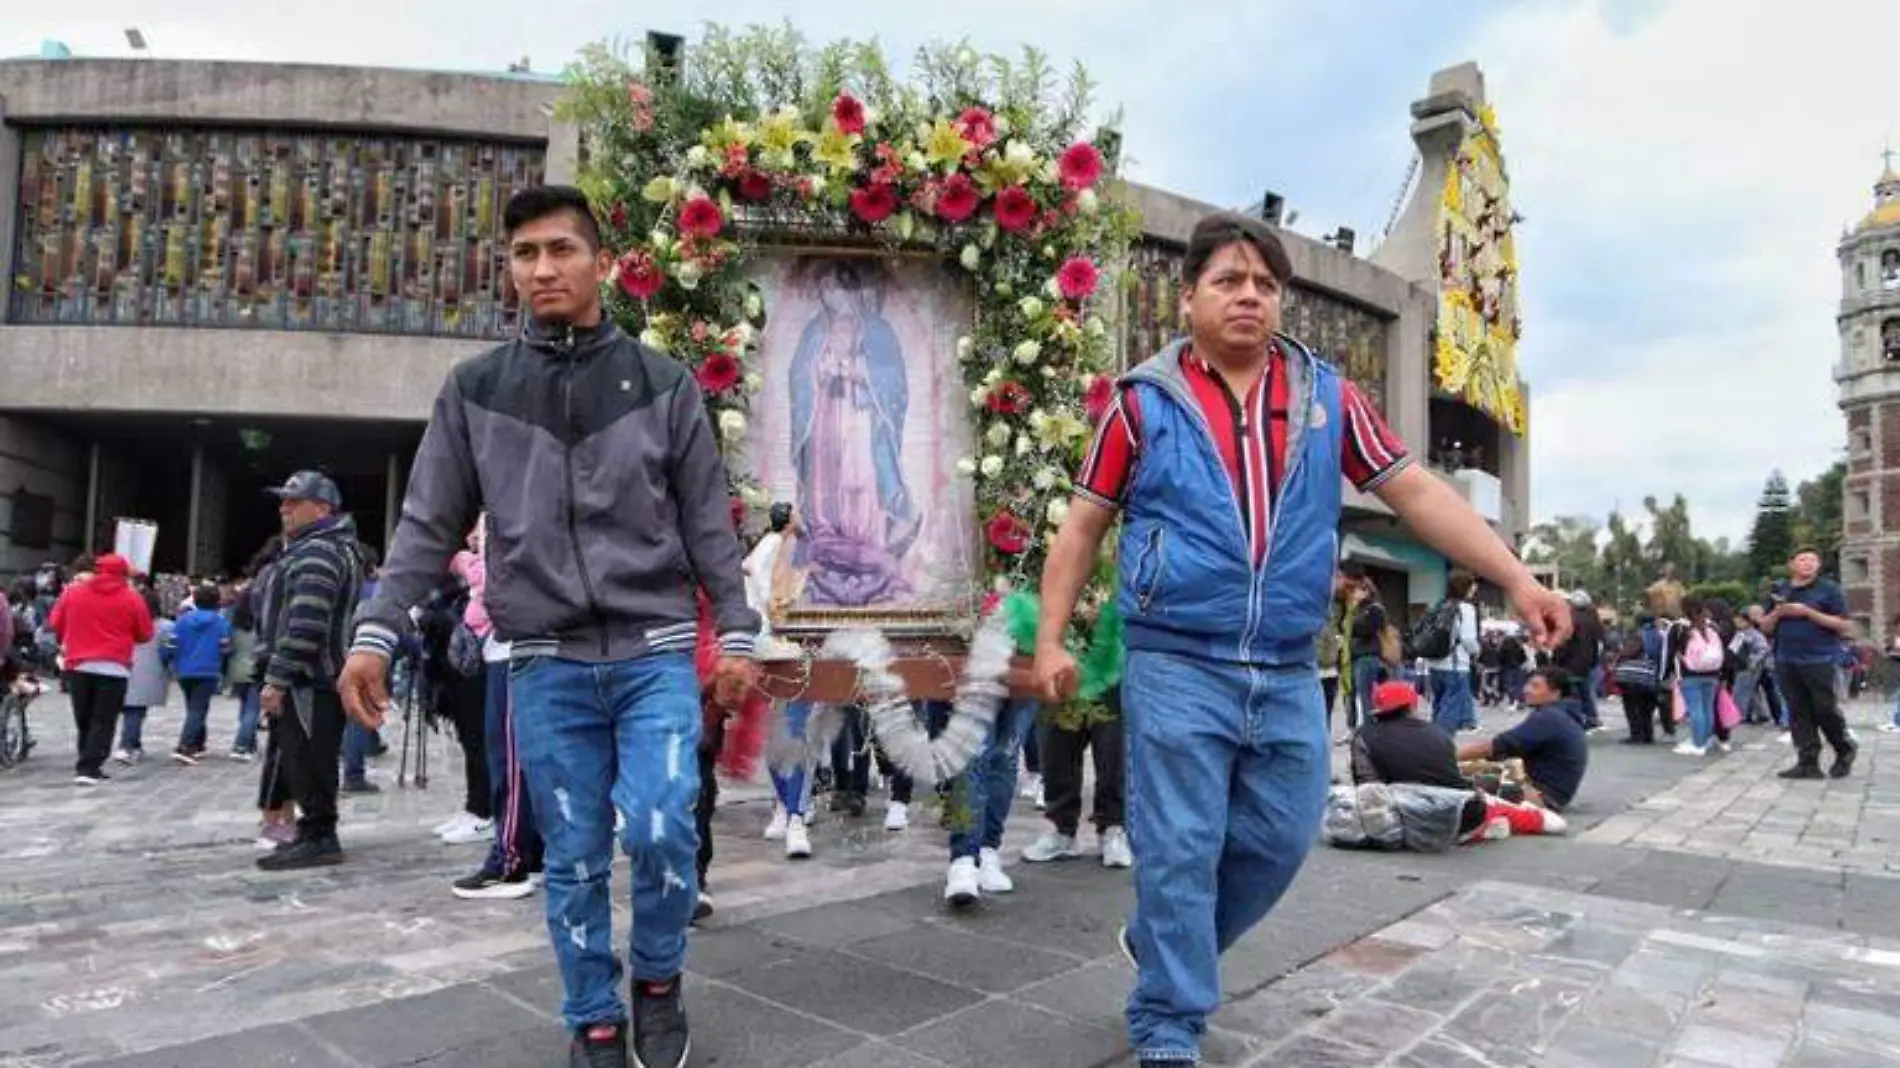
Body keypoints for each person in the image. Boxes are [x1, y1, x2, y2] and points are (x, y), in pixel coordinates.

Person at [1032, 210, 1570, 1067]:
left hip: (1287, 665)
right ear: (1189, 300)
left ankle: (1170, 945)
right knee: (1181, 846)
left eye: (1265, 285)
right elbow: (1083, 527)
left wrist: (1516, 575)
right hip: (1176, 658)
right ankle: (1168, 1022)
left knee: (1281, 840)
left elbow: (1417, 493)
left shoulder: (1328, 398)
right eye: (1229, 282)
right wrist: (1052, 640)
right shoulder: (1142, 404)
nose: (1250, 297)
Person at [338, 185, 759, 1068]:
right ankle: (593, 1015)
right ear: (510, 268)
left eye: (561, 249)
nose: (543, 269)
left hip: (654, 651)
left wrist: (742, 633)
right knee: (569, 852)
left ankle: (656, 977)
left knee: (659, 826)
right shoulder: (476, 392)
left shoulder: (662, 385)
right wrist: (377, 631)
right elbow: (426, 523)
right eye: (525, 253)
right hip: (543, 662)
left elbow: (709, 525)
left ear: (601, 260)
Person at [254, 471, 368, 871]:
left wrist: (277, 676)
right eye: (283, 500)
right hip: (314, 676)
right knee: (303, 759)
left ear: (322, 508)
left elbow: (306, 623)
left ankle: (320, 835)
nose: (283, 508)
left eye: (293, 501)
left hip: (311, 678)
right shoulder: (325, 547)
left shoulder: (319, 551)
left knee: (310, 759)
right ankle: (312, 831)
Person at [49, 553, 155, 785]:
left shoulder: (73, 592)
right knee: (103, 718)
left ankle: (85, 759)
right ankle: (90, 765)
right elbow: (145, 633)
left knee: (84, 716)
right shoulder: (132, 598)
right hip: (114, 666)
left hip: (78, 663)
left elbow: (55, 623)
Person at [1761, 549, 1858, 779]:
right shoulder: (1780, 590)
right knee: (1798, 711)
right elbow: (1765, 627)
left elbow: (1844, 625)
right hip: (1786, 658)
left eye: (1813, 560)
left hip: (1819, 658)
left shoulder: (1829, 589)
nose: (1808, 564)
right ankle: (1807, 761)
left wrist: (1807, 612)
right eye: (1802, 559)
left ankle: (1844, 748)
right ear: (1791, 564)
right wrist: (1778, 612)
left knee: (1824, 708)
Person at [1457, 667, 1589, 813]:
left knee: (1457, 782)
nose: (1526, 689)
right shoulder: (1562, 714)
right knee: (1475, 769)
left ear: (1555, 693)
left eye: (1535, 686)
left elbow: (1495, 746)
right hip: (1555, 794)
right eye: (1528, 684)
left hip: (1542, 797)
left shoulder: (1549, 717)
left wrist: (1448, 756)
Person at [167, 584, 234, 764]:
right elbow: (226, 648)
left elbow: (171, 645)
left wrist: (171, 662)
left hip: (184, 670)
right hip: (208, 670)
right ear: (217, 602)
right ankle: (185, 745)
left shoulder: (182, 620)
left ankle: (199, 743)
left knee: (194, 707)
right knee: (198, 709)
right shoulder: (221, 622)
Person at [1663, 596, 1726, 757]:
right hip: (1712, 673)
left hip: (1689, 673)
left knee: (1695, 709)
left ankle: (1698, 744)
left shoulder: (1678, 627)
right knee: (1707, 708)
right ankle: (1707, 739)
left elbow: (1669, 652)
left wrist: (1665, 673)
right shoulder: (1711, 626)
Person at [1424, 571, 1481, 735]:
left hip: (1435, 664)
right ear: (1466, 587)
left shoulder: (1440, 605)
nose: (1475, 589)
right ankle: (1442, 747)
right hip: (1456, 665)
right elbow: (1468, 639)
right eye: (1472, 585)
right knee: (1451, 711)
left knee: (1439, 706)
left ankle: (1433, 741)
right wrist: (1477, 651)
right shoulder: (1466, 608)